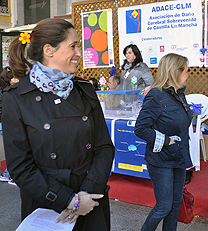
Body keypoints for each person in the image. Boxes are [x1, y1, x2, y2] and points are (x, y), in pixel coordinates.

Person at [2, 18, 114, 230]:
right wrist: (68, 201)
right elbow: (20, 166)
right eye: (73, 46)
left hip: (91, 201)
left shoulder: (84, 90)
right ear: (49, 50)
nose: (79, 53)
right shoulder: (17, 98)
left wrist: (86, 195)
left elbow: (104, 146)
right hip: (47, 205)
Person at [134, 53, 193, 231]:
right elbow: (141, 129)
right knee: (164, 206)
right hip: (161, 159)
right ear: (174, 71)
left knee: (175, 205)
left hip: (179, 156)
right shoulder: (155, 95)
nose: (188, 75)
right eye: (185, 71)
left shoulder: (179, 95)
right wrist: (166, 141)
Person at [0, 66, 18, 186]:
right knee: (14, 149)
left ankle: (7, 173)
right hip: (6, 123)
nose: (17, 80)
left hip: (8, 122)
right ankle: (9, 174)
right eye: (14, 78)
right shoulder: (6, 92)